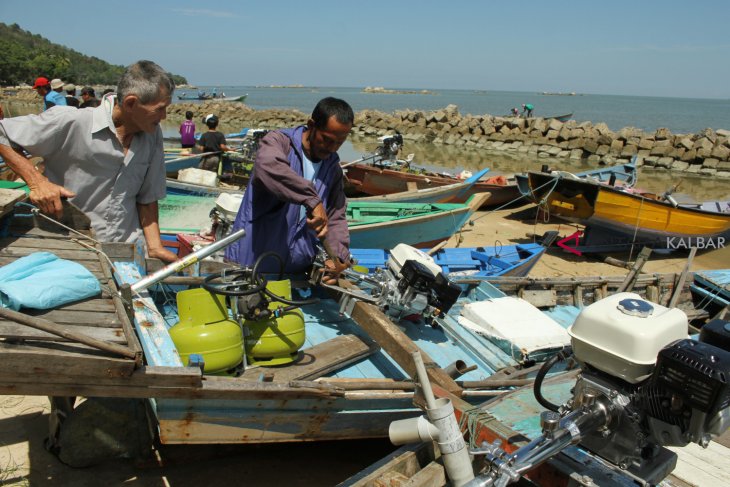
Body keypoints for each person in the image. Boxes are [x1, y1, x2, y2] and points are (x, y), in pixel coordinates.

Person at [0, 60, 178, 263]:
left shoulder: (152, 135)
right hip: (72, 250)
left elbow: (147, 197)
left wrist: (155, 246)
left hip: (127, 253)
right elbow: (2, 133)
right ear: (130, 103)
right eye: (160, 109)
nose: (164, 116)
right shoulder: (71, 122)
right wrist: (37, 182)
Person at [225, 97, 353, 284]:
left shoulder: (332, 167)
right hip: (251, 265)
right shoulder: (279, 143)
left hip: (294, 272)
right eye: (327, 140)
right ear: (312, 124)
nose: (332, 148)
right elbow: (268, 168)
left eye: (339, 143)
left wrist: (338, 257)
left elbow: (335, 216)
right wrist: (312, 199)